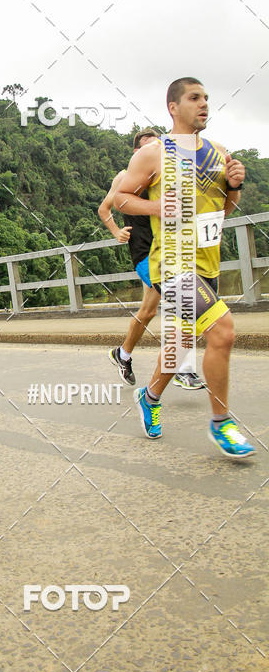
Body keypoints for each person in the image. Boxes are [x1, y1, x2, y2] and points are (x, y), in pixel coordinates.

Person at [114, 77, 255, 458]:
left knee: (180, 344)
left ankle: (149, 396)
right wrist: (156, 207)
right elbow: (121, 199)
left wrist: (234, 186)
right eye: (195, 98)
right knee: (223, 331)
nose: (204, 104)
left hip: (207, 263)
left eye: (206, 98)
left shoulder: (218, 153)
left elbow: (224, 210)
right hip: (172, 263)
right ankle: (222, 423)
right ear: (173, 107)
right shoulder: (153, 154)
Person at [99, 128, 204, 390]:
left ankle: (122, 354)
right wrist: (116, 231)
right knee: (180, 300)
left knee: (147, 312)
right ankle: (181, 368)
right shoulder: (124, 177)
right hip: (144, 253)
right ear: (136, 152)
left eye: (157, 145)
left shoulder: (164, 176)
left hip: (167, 250)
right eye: (147, 147)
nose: (153, 150)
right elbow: (104, 209)